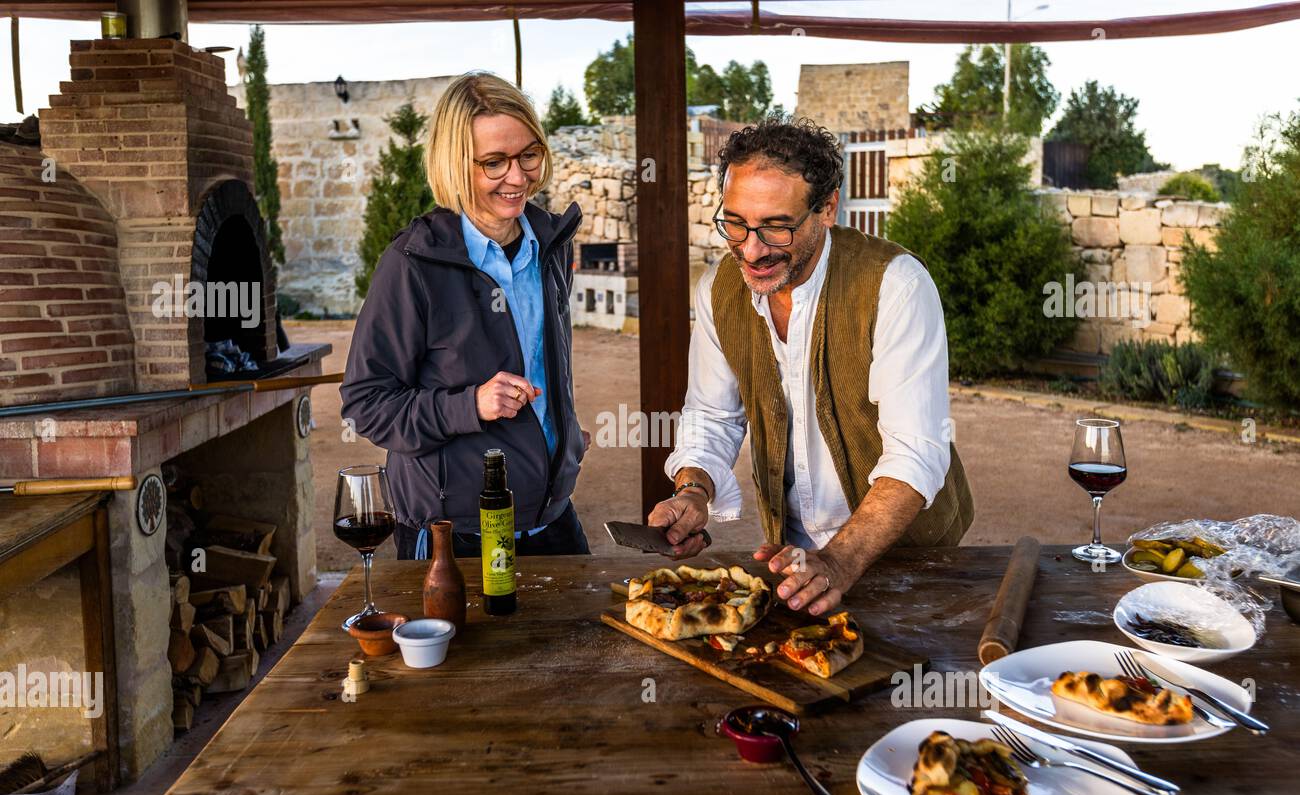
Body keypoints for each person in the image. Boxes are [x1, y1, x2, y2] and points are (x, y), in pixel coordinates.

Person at [650, 116, 974, 615]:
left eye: (776, 227)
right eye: (735, 222)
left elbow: (916, 452)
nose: (752, 250)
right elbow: (712, 417)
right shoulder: (718, 291)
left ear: (826, 208)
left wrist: (840, 561)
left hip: (907, 562)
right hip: (795, 562)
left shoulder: (896, 285)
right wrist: (693, 490)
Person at [341, 71, 590, 559]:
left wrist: (559, 433)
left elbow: (542, 361)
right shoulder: (412, 263)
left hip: (551, 517)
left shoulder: (551, 245)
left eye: (528, 155)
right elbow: (366, 403)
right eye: (493, 162)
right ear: (455, 164)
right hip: (451, 534)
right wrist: (470, 404)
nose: (517, 178)